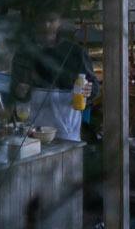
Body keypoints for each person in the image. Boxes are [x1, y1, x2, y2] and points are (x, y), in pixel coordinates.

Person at [10, 13, 95, 142]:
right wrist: (19, 91)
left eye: (51, 20)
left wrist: (89, 90)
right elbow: (14, 89)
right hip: (31, 130)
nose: (46, 25)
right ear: (35, 22)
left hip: (66, 130)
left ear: (59, 22)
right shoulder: (24, 52)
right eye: (42, 20)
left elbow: (93, 86)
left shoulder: (75, 52)